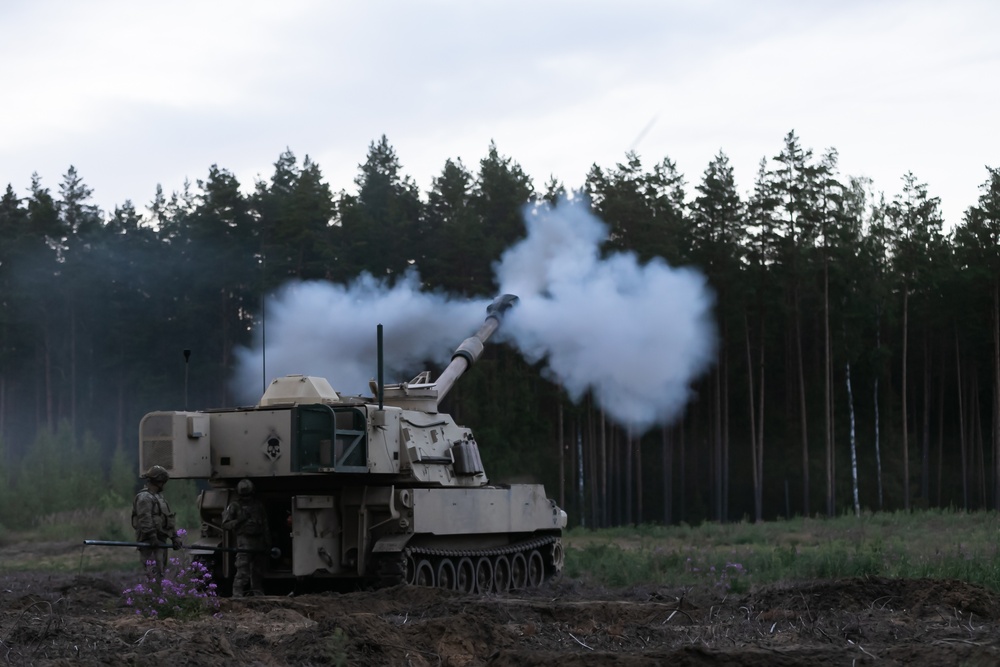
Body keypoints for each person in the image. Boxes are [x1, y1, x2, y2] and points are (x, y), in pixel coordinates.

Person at [131, 465, 182, 582]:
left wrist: (174, 537)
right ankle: (153, 598)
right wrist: (152, 536)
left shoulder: (158, 497)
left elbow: (168, 518)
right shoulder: (144, 497)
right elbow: (145, 519)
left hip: (160, 541)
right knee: (153, 575)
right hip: (150, 542)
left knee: (161, 573)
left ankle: (159, 597)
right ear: (159, 481)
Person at [222, 479, 269, 597]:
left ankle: (257, 592)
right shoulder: (235, 506)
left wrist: (267, 542)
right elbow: (225, 524)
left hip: (258, 541)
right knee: (242, 570)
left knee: (257, 571)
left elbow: (265, 525)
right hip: (244, 541)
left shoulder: (258, 505)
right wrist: (239, 521)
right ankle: (237, 595)